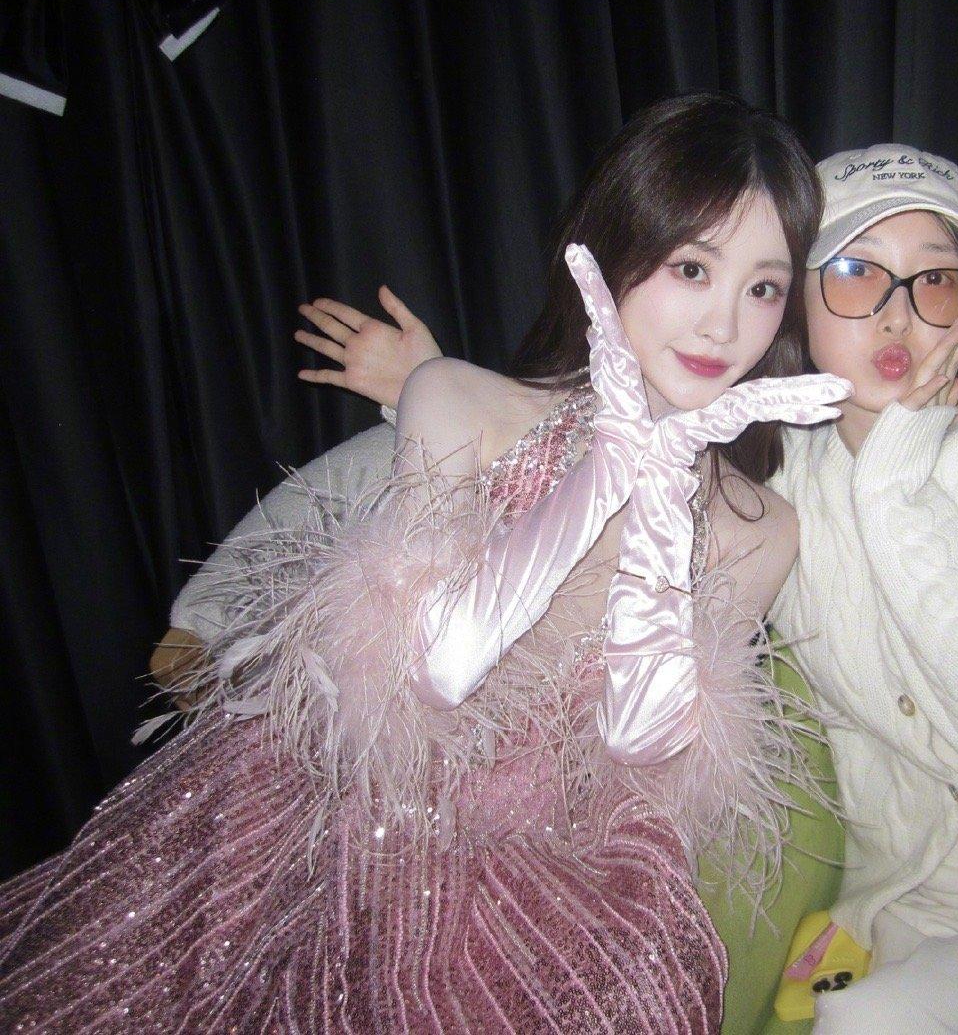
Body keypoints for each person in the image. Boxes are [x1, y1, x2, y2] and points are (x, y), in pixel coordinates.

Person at [286, 141, 958, 1034]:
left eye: (936, 279)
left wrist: (896, 479)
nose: (898, 313)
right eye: (855, 272)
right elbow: (604, 473)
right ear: (798, 307)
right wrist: (430, 387)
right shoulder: (780, 478)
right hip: (943, 917)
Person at [0, 92, 848, 1034]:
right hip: (352, 813)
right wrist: (605, 470)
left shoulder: (761, 526)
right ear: (614, 254)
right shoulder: (456, 398)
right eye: (692, 267)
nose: (725, 325)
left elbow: (645, 751)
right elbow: (431, 677)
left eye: (763, 288)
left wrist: (661, 501)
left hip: (571, 870)